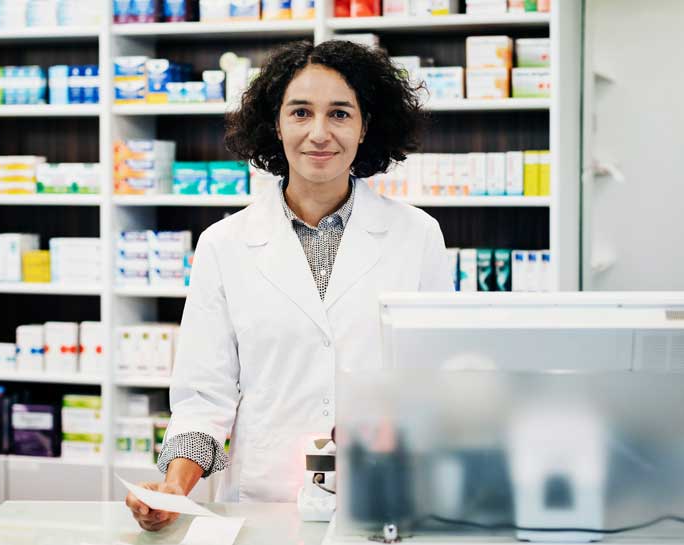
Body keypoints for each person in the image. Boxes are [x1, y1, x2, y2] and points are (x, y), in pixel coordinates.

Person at [126, 39, 453, 531]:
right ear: (275, 124)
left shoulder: (417, 235)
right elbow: (203, 399)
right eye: (301, 112)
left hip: (383, 501)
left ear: (367, 127)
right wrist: (177, 486)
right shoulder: (224, 244)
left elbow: (433, 382)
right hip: (262, 502)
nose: (319, 133)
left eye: (340, 114)